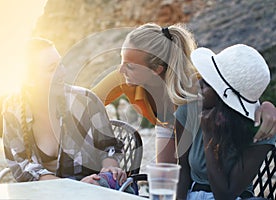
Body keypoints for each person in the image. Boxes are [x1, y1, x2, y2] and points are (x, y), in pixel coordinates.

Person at [92, 22, 276, 163]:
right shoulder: (123, 77)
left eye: (130, 65)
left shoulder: (197, 81)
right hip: (168, 129)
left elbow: (240, 99)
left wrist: (267, 106)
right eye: (121, 60)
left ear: (156, 69)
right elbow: (82, 102)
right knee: (165, 177)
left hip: (202, 140)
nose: (120, 69)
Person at [2, 37, 127, 186]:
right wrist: (75, 187)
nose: (62, 72)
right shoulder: (12, 109)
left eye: (60, 64)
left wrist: (109, 170)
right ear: (29, 80)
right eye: (52, 69)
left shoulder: (86, 101)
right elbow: (23, 168)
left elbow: (109, 147)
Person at [175, 44, 276, 199]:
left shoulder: (260, 128)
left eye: (208, 83)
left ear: (225, 99)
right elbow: (182, 169)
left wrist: (210, 138)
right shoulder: (188, 111)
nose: (198, 84)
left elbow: (226, 195)